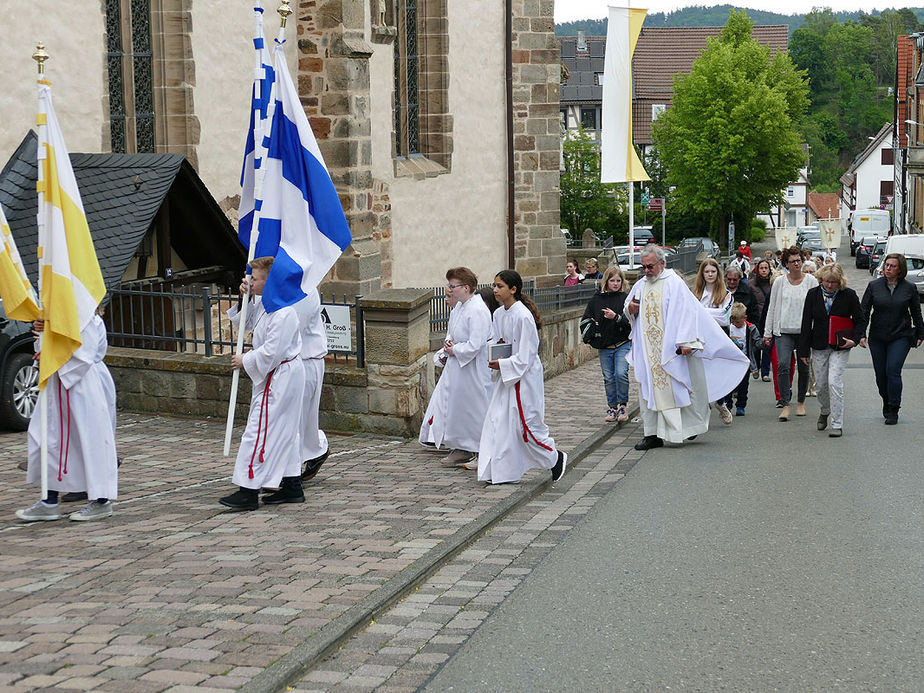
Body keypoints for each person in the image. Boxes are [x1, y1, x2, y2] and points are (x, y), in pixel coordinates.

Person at [625, 245, 749, 450]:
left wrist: (686, 341)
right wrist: (630, 309)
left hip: (671, 350)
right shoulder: (640, 285)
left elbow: (687, 313)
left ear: (662, 263)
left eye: (650, 267)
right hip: (648, 352)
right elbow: (629, 307)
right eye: (644, 267)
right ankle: (652, 434)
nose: (646, 271)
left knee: (680, 389)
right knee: (648, 391)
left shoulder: (674, 283)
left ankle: (687, 429)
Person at [15, 309, 119, 522]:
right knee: (47, 439)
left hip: (82, 386)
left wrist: (52, 351)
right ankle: (49, 500)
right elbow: (47, 347)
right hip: (55, 384)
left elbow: (85, 353)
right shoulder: (58, 316)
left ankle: (101, 500)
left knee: (87, 440)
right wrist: (43, 338)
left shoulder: (87, 318)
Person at [221, 257, 306, 510]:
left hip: (280, 375)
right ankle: (292, 486)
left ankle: (248, 489)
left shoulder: (284, 313)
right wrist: (245, 297)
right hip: (280, 374)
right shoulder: (266, 305)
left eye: (255, 279)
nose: (250, 281)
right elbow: (244, 321)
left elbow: (271, 353)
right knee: (286, 432)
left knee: (259, 428)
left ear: (270, 282)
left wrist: (244, 359)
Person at [478, 270, 567, 484]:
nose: (495, 290)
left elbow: (527, 354)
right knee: (500, 423)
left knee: (524, 425)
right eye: (494, 285)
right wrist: (495, 355)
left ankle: (554, 457)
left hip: (522, 379)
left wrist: (504, 363)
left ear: (513, 289)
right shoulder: (499, 314)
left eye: (500, 286)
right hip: (505, 377)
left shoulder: (523, 316)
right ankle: (502, 471)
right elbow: (498, 341)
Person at [420, 267, 493, 467]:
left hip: (473, 369)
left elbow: (476, 344)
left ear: (466, 287)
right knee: (456, 408)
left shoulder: (477, 309)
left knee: (474, 408)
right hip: (458, 368)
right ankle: (461, 446)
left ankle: (479, 449)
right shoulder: (460, 308)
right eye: (449, 285)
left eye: (453, 286)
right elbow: (452, 334)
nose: (449, 290)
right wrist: (448, 347)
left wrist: (456, 350)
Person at [798, 264, 866, 437]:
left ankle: (837, 423)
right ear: (821, 279)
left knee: (834, 381)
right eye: (827, 282)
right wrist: (803, 351)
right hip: (819, 344)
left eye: (834, 282)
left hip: (840, 345)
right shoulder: (813, 294)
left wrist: (855, 340)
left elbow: (860, 320)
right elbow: (806, 323)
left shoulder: (849, 295)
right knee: (820, 385)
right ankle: (825, 410)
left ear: (840, 281)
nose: (829, 286)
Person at [860, 253, 924, 425]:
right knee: (881, 376)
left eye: (893, 266)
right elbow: (864, 311)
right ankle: (887, 401)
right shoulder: (874, 286)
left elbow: (916, 313)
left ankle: (894, 408)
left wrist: (920, 333)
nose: (888, 268)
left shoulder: (909, 288)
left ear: (900, 269)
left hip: (900, 336)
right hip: (878, 337)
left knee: (893, 371)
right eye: (887, 265)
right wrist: (861, 334)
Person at [763, 246, 818, 421]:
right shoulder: (780, 282)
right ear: (786, 263)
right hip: (783, 331)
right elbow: (772, 307)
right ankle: (785, 403)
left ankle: (800, 402)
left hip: (804, 332)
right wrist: (768, 332)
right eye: (792, 261)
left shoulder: (810, 281)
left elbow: (817, 308)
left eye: (799, 260)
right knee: (783, 365)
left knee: (803, 368)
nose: (796, 264)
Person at [580, 265, 632, 423]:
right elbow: (586, 319)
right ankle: (612, 407)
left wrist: (616, 317)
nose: (615, 284)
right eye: (612, 280)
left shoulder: (625, 298)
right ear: (606, 281)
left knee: (621, 374)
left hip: (622, 342)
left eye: (618, 280)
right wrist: (590, 336)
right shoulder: (597, 300)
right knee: (609, 377)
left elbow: (632, 322)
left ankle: (622, 405)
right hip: (604, 345)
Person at [692, 257, 734, 425]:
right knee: (700, 376)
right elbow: (690, 314)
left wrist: (701, 312)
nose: (710, 274)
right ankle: (700, 414)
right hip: (698, 338)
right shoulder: (695, 294)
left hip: (718, 338)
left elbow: (725, 318)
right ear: (702, 274)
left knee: (717, 373)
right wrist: (710, 313)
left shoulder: (726, 294)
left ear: (718, 274)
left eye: (713, 271)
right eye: (707, 271)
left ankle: (721, 403)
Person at [295, 289, 330, 482]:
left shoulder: (306, 292)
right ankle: (314, 450)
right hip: (284, 362)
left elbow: (293, 327)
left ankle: (290, 471)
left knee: (299, 419)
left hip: (306, 359)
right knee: (297, 420)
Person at [722, 302, 761, 416]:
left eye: (738, 322)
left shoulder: (750, 328)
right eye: (733, 321)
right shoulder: (728, 328)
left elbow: (757, 341)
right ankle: (728, 405)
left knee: (744, 385)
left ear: (745, 318)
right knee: (729, 385)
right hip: (731, 361)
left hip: (744, 361)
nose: (735, 324)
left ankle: (741, 405)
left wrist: (763, 343)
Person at [750, 259, 774, 380]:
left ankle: (765, 372)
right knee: (754, 345)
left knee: (767, 345)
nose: (764, 270)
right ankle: (756, 367)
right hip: (755, 319)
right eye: (761, 268)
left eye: (766, 268)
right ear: (757, 270)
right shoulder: (751, 284)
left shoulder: (773, 283)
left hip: (768, 319)